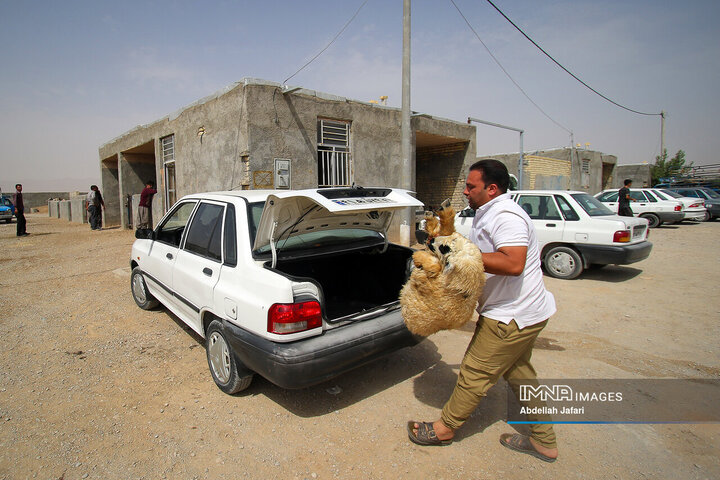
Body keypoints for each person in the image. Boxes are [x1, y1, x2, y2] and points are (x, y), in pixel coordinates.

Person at [407, 159, 559, 463]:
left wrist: (457, 253)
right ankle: (545, 441)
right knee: (520, 374)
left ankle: (444, 428)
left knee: (475, 372)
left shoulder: (505, 215)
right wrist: (447, 247)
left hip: (511, 315)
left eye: (471, 186)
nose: (465, 191)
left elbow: (513, 263)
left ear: (492, 188)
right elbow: (480, 255)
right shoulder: (490, 212)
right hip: (525, 311)